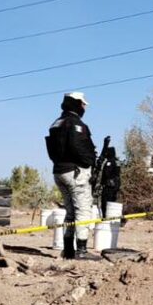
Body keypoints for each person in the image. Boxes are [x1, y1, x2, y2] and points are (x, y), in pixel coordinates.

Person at [45, 92, 97, 260]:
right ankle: (81, 250)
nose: (84, 108)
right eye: (83, 105)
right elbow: (78, 147)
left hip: (59, 172)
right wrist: (90, 162)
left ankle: (68, 250)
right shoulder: (75, 124)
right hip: (74, 172)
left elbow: (51, 149)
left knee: (70, 211)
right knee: (83, 210)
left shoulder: (56, 123)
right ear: (76, 104)